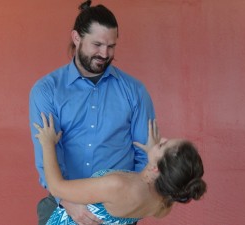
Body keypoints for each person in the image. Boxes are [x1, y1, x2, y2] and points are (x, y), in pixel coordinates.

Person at [29, 1, 155, 224]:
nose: (104, 54)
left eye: (111, 46)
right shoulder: (47, 91)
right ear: (76, 38)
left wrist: (127, 207)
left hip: (118, 209)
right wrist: (70, 204)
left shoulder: (135, 91)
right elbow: (46, 156)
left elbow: (146, 156)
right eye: (97, 44)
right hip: (64, 205)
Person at [33, 113, 207, 225]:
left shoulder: (118, 185)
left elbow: (56, 187)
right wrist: (153, 155)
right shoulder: (164, 202)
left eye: (163, 145)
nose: (163, 138)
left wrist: (47, 144)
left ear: (156, 170)